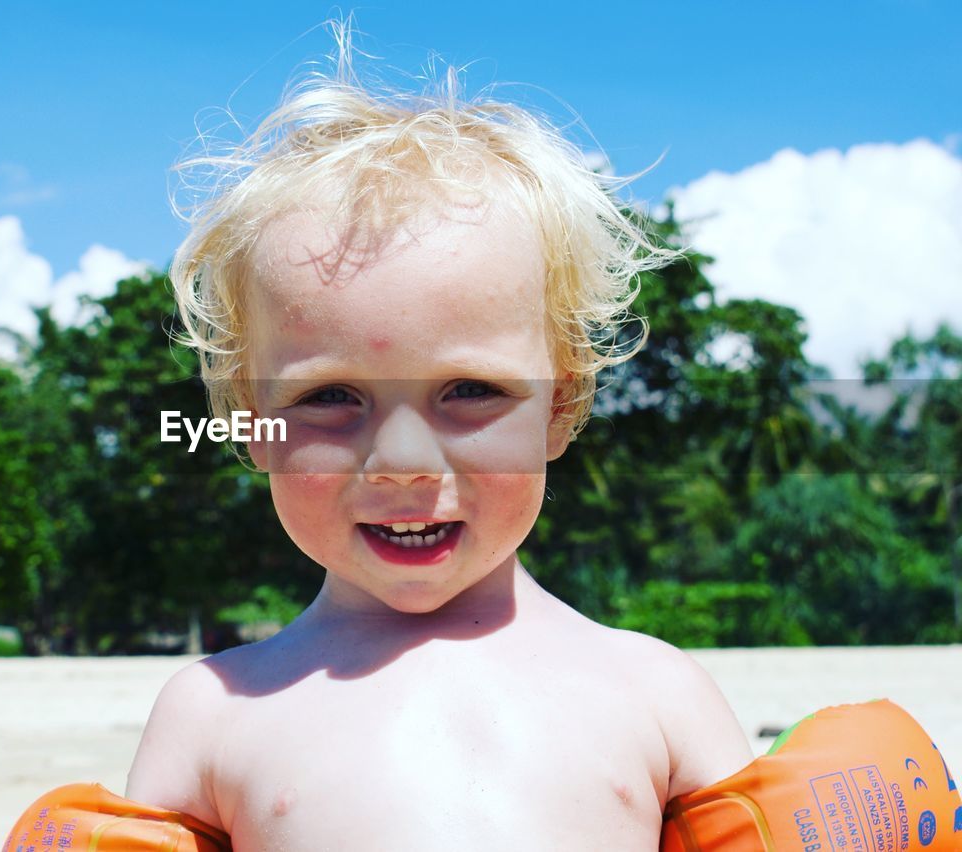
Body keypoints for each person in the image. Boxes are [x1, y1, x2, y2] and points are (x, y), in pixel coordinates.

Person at [125, 26, 754, 851]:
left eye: (470, 391)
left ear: (561, 406)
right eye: (331, 397)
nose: (404, 465)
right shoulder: (213, 712)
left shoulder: (657, 694)